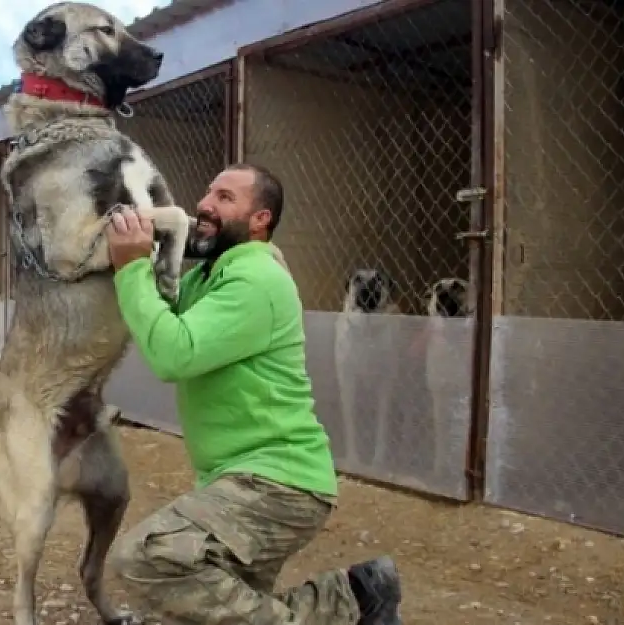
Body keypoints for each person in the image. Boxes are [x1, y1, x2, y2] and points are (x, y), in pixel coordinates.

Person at [102, 163, 403, 625]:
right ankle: (365, 590)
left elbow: (173, 354)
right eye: (207, 192)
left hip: (276, 483)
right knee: (221, 610)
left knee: (147, 558)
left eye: (225, 197)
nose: (204, 204)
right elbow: (157, 318)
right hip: (239, 479)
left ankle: (350, 601)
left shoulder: (255, 280)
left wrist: (131, 270)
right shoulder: (211, 278)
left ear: (260, 218)